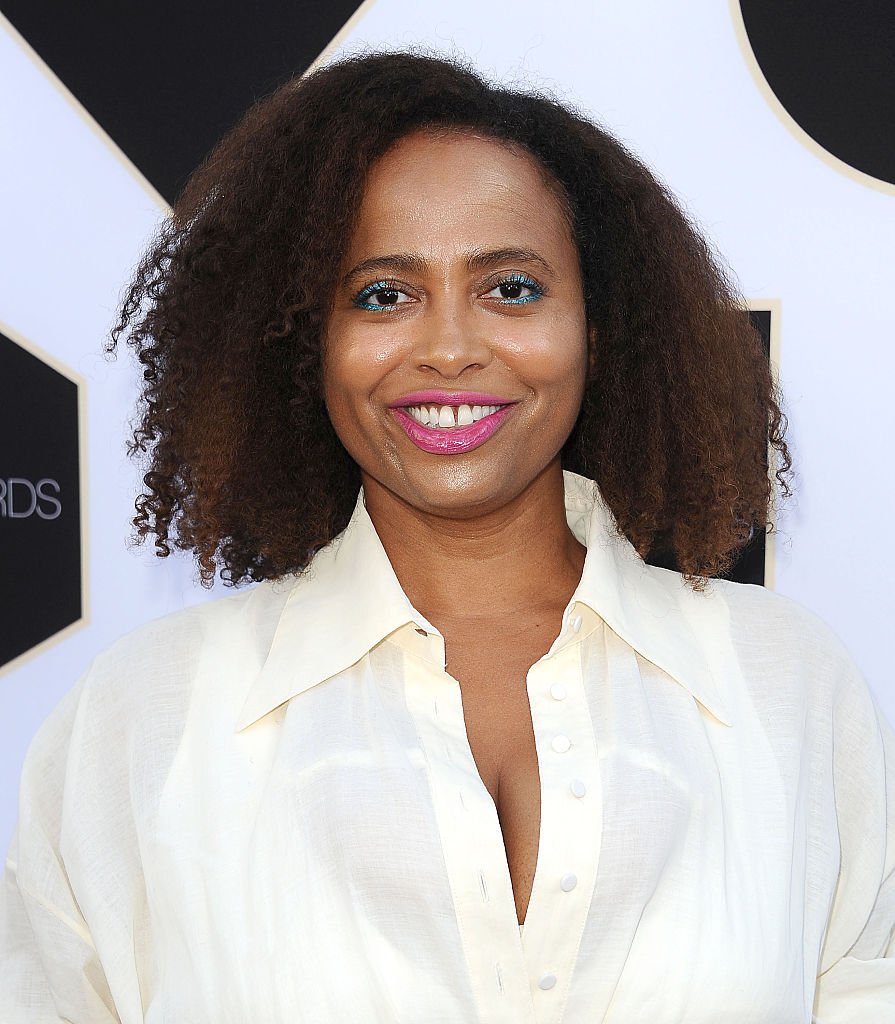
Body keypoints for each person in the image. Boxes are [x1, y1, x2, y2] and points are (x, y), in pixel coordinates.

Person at [1, 48, 892, 1023]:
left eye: (509, 287)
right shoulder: (147, 719)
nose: (450, 346)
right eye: (383, 294)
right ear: (306, 339)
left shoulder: (786, 688)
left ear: (598, 327)